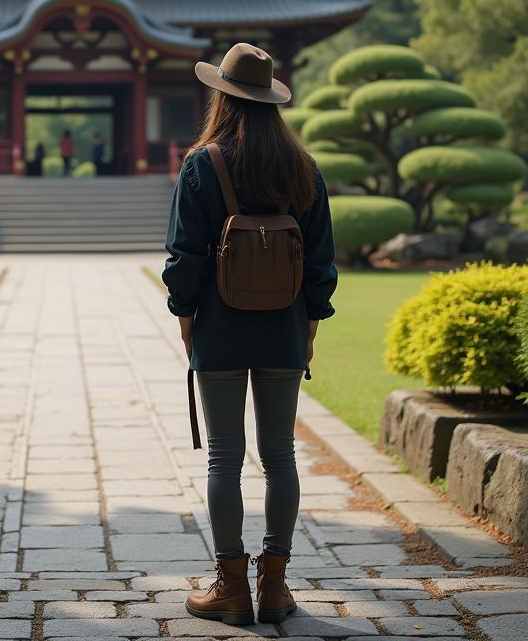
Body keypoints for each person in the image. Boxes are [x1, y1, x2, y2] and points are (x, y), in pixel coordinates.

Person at [162, 42, 337, 627]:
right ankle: (276, 588)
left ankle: (230, 587)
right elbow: (320, 262)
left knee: (224, 459)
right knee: (281, 454)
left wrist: (186, 317)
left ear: (224, 98)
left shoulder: (202, 164)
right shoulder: (303, 166)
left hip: (220, 327)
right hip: (285, 328)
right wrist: (309, 324)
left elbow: (184, 257)